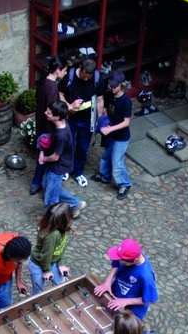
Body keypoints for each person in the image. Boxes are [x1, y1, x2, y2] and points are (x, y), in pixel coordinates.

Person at [59, 58, 106, 187]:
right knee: (69, 145)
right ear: (81, 68)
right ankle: (66, 169)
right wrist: (68, 106)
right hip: (71, 118)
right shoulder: (70, 76)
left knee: (83, 148)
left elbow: (100, 100)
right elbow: (60, 93)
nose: (85, 80)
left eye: (88, 78)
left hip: (87, 119)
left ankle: (78, 172)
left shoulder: (97, 79)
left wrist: (99, 119)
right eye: (83, 76)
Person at [38, 101, 86, 216]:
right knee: (47, 185)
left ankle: (49, 223)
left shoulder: (61, 136)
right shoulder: (62, 122)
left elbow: (55, 157)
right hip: (55, 165)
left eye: (49, 113)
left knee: (50, 200)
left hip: (57, 167)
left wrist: (43, 158)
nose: (45, 113)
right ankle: (75, 204)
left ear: (57, 117)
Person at [29, 57, 69, 196]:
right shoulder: (52, 89)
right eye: (64, 71)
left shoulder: (44, 82)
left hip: (41, 125)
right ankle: (39, 183)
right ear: (57, 70)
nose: (65, 74)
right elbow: (53, 112)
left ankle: (37, 183)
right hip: (48, 129)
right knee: (45, 157)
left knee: (43, 155)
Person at [91, 71, 133, 200]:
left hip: (121, 137)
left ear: (122, 86)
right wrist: (103, 116)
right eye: (111, 85)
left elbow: (126, 122)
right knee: (106, 157)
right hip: (112, 135)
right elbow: (105, 106)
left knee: (117, 162)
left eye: (115, 86)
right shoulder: (110, 95)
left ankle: (124, 184)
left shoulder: (126, 102)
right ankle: (105, 176)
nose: (112, 88)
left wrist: (110, 129)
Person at [93, 239, 158, 320]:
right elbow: (116, 263)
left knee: (122, 328)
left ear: (135, 260)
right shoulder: (127, 253)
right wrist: (108, 282)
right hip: (116, 296)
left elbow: (152, 299)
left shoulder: (146, 276)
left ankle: (144, 333)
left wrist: (126, 301)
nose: (120, 263)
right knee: (99, 310)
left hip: (131, 310)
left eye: (123, 263)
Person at [28, 203, 73, 295]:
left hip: (54, 262)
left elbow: (61, 248)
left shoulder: (63, 230)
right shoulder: (53, 235)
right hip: (39, 264)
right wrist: (47, 271)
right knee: (38, 292)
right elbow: (45, 255)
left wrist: (60, 264)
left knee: (61, 286)